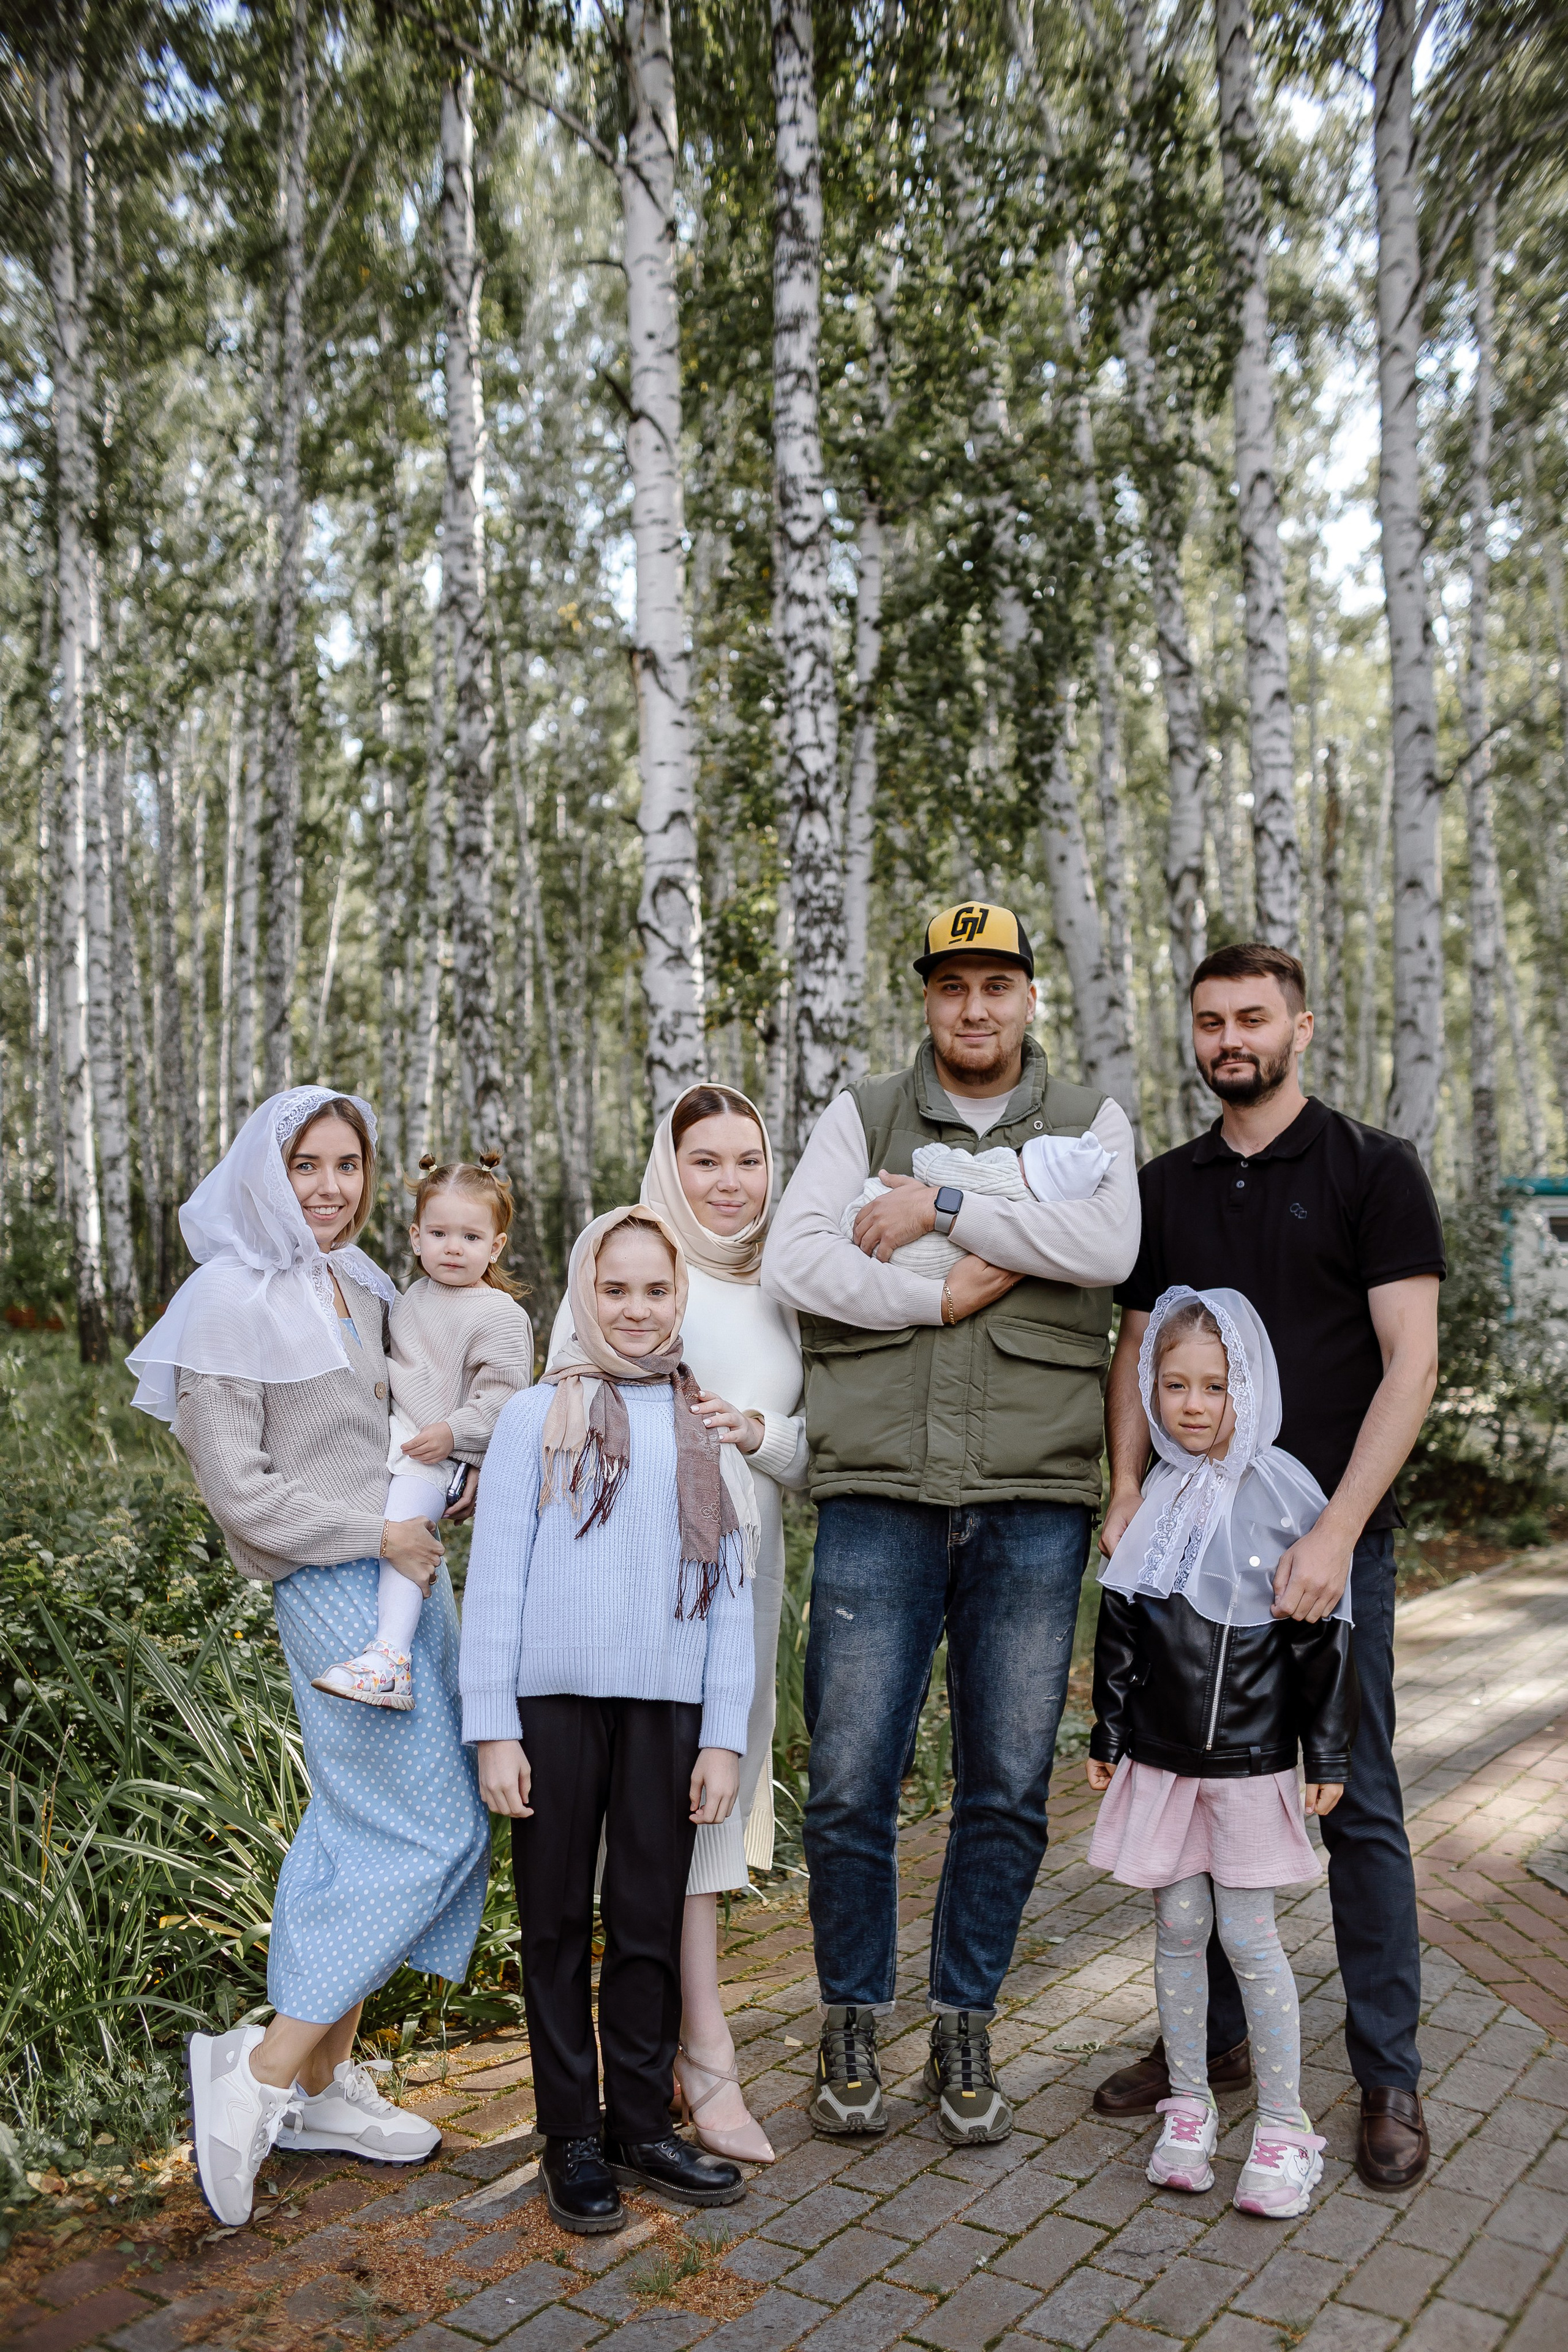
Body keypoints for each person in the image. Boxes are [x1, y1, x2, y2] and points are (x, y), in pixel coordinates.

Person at [763, 900, 1141, 2143]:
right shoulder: (855, 1114)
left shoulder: (1088, 1122)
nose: (971, 1008)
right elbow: (797, 1262)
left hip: (1033, 1496)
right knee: (849, 1783)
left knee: (1007, 1787)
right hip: (879, 1489)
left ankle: (965, 2021)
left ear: (1029, 996)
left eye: (994, 984)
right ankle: (853, 2015)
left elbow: (1108, 1243)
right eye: (949, 986)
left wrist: (935, 1214)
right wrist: (941, 1303)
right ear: (925, 999)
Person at [1095, 941, 1444, 2193]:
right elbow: (1137, 1346)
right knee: (1188, 1778)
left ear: (1299, 1025)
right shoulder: (1166, 1186)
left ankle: (1387, 2072)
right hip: (1189, 1545)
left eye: (1250, 1017)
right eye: (1207, 1021)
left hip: (1318, 1546)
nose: (1226, 1038)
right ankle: (1215, 2049)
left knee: (1348, 1795)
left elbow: (1408, 1364)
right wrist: (1126, 1486)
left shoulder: (1371, 1171)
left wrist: (1337, 1532)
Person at [126, 1088, 491, 2228]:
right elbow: (240, 1492)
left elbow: (384, 1436)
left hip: (410, 1576)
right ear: (261, 1173)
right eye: (306, 1166)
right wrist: (372, 1530)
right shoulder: (226, 1299)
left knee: (361, 1825)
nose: (331, 1187)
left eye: (348, 1164)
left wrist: (442, 1484)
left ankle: (327, 2085)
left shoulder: (364, 1282)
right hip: (334, 1589)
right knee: (429, 1823)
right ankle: (263, 2072)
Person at [461, 1206, 758, 2235]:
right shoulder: (533, 1417)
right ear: (586, 1294)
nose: (636, 1309)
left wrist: (724, 1735)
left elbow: (731, 1594)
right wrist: (493, 1725)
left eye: (656, 1290)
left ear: (680, 1300)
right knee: (552, 1923)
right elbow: (495, 1580)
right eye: (616, 1289)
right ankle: (571, 2134)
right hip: (551, 1706)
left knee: (646, 1921)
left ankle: (638, 2121)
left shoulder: (703, 1426)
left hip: (668, 1708)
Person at [1087, 1286, 1359, 2220]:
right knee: (1173, 1935)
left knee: (1248, 1938)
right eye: (1173, 1385)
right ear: (1152, 1391)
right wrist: (1108, 1734)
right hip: (1162, 1768)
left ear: (1250, 1388)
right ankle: (1191, 2106)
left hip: (1249, 1769)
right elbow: (1120, 1628)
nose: (1193, 1405)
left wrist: (1328, 1756)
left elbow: (1320, 1646)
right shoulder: (1151, 1498)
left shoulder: (1288, 1497)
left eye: (1213, 1386)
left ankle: (1285, 2126)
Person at [640, 1082, 809, 2163]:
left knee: (709, 1808)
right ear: (671, 1164)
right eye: (706, 1160)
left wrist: (758, 1431)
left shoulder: (783, 1285)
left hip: (748, 1581)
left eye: (748, 1159)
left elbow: (814, 1448)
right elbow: (572, 1404)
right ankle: (703, 2060)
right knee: (660, 1820)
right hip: (646, 1587)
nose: (730, 1181)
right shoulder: (633, 1261)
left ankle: (663, 2053)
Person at [314, 1152, 534, 1709]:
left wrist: (453, 1433)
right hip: (398, 1441)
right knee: (380, 1533)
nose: (453, 1247)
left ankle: (390, 1659)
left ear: (497, 1245)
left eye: (470, 1236)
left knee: (404, 1536)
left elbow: (507, 1399)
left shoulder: (499, 1314)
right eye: (439, 1233)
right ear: (416, 1237)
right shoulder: (407, 1298)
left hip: (438, 1454)